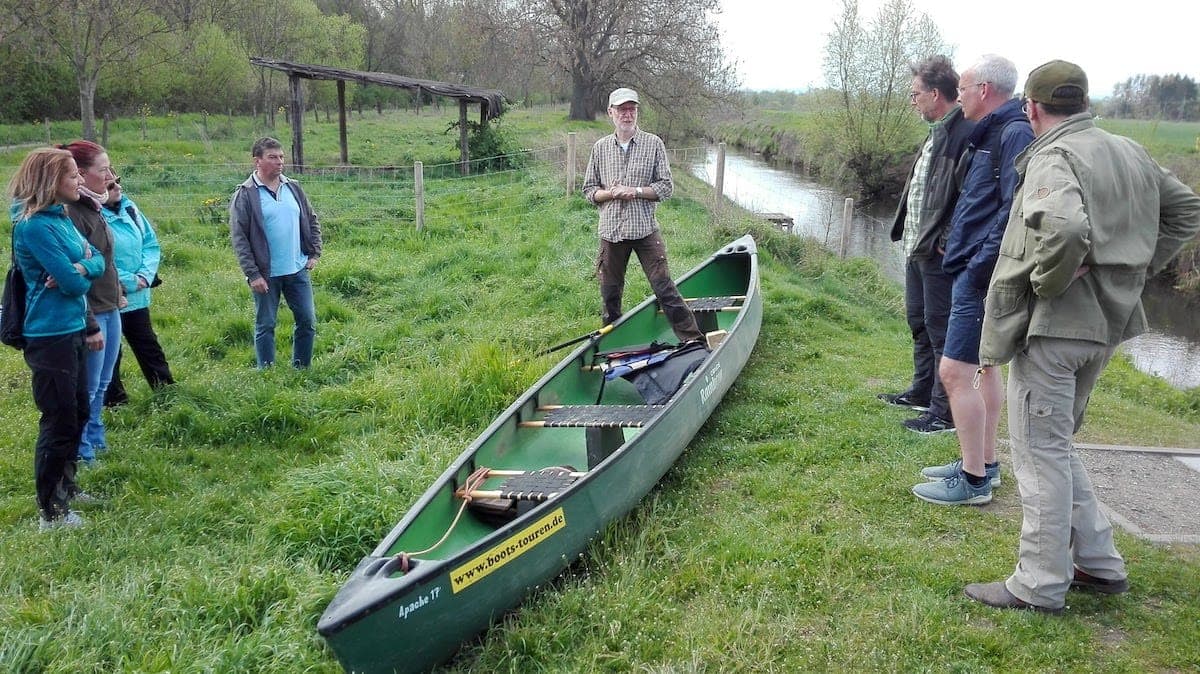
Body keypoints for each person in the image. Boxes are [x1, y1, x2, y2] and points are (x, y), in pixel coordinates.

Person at [964, 60, 1200, 613]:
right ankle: (1099, 563)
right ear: (1083, 102)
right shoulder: (1127, 149)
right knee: (1056, 445)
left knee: (1037, 453)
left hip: (1057, 327)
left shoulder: (1055, 155)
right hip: (1105, 327)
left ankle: (1039, 584)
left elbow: (1066, 228)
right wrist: (1132, 267)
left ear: (1033, 108)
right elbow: (1187, 210)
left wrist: (1049, 280)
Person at [912, 54, 1033, 506]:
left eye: (962, 88)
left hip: (979, 275)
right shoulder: (996, 131)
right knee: (983, 369)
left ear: (984, 90)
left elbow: (1011, 210)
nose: (957, 95)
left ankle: (972, 480)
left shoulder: (1011, 132)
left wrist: (979, 262)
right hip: (973, 268)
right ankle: (984, 463)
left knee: (954, 371)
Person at [8, 147, 106, 531]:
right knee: (59, 419)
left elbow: (95, 260)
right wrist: (78, 271)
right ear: (51, 181)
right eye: (72, 177)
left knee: (78, 411)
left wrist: (81, 264)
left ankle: (67, 486)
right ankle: (51, 509)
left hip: (72, 327)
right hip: (48, 335)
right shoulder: (34, 226)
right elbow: (70, 283)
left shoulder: (61, 217)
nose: (80, 181)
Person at [878, 55, 975, 434]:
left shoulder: (964, 134)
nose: (912, 100)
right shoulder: (936, 131)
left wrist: (948, 241)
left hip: (937, 253)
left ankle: (942, 410)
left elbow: (970, 198)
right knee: (918, 322)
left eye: (915, 93)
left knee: (939, 328)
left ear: (936, 94)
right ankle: (921, 391)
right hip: (917, 248)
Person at [582, 87, 704, 344]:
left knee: (665, 289)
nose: (627, 114)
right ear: (610, 113)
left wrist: (635, 191)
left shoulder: (654, 144)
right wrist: (611, 194)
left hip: (645, 229)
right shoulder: (600, 148)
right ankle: (612, 345)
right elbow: (589, 191)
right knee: (610, 295)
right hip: (611, 231)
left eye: (632, 109)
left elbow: (665, 187)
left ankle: (693, 341)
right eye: (622, 109)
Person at [229, 137, 322, 368]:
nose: (280, 162)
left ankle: (301, 368)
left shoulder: (293, 187)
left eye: (281, 157)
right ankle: (267, 371)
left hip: (297, 269)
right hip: (266, 274)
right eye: (272, 157)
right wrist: (253, 274)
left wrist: (314, 253)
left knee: (307, 321)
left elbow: (311, 220)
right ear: (257, 161)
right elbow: (240, 239)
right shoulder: (246, 194)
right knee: (266, 324)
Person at [62, 140, 123, 465]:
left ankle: (96, 440)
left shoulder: (94, 206)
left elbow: (105, 260)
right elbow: (76, 274)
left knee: (102, 383)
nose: (110, 176)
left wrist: (118, 293)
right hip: (92, 311)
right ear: (81, 174)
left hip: (111, 305)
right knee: (87, 387)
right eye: (103, 170)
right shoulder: (72, 212)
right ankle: (82, 450)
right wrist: (89, 322)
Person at [102, 175, 175, 405]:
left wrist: (145, 275)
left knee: (148, 345)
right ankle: (115, 404)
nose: (118, 187)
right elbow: (100, 260)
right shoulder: (91, 217)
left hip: (138, 296)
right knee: (111, 354)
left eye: (118, 180)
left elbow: (150, 244)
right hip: (108, 295)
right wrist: (131, 281)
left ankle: (167, 394)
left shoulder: (130, 207)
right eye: (111, 185)